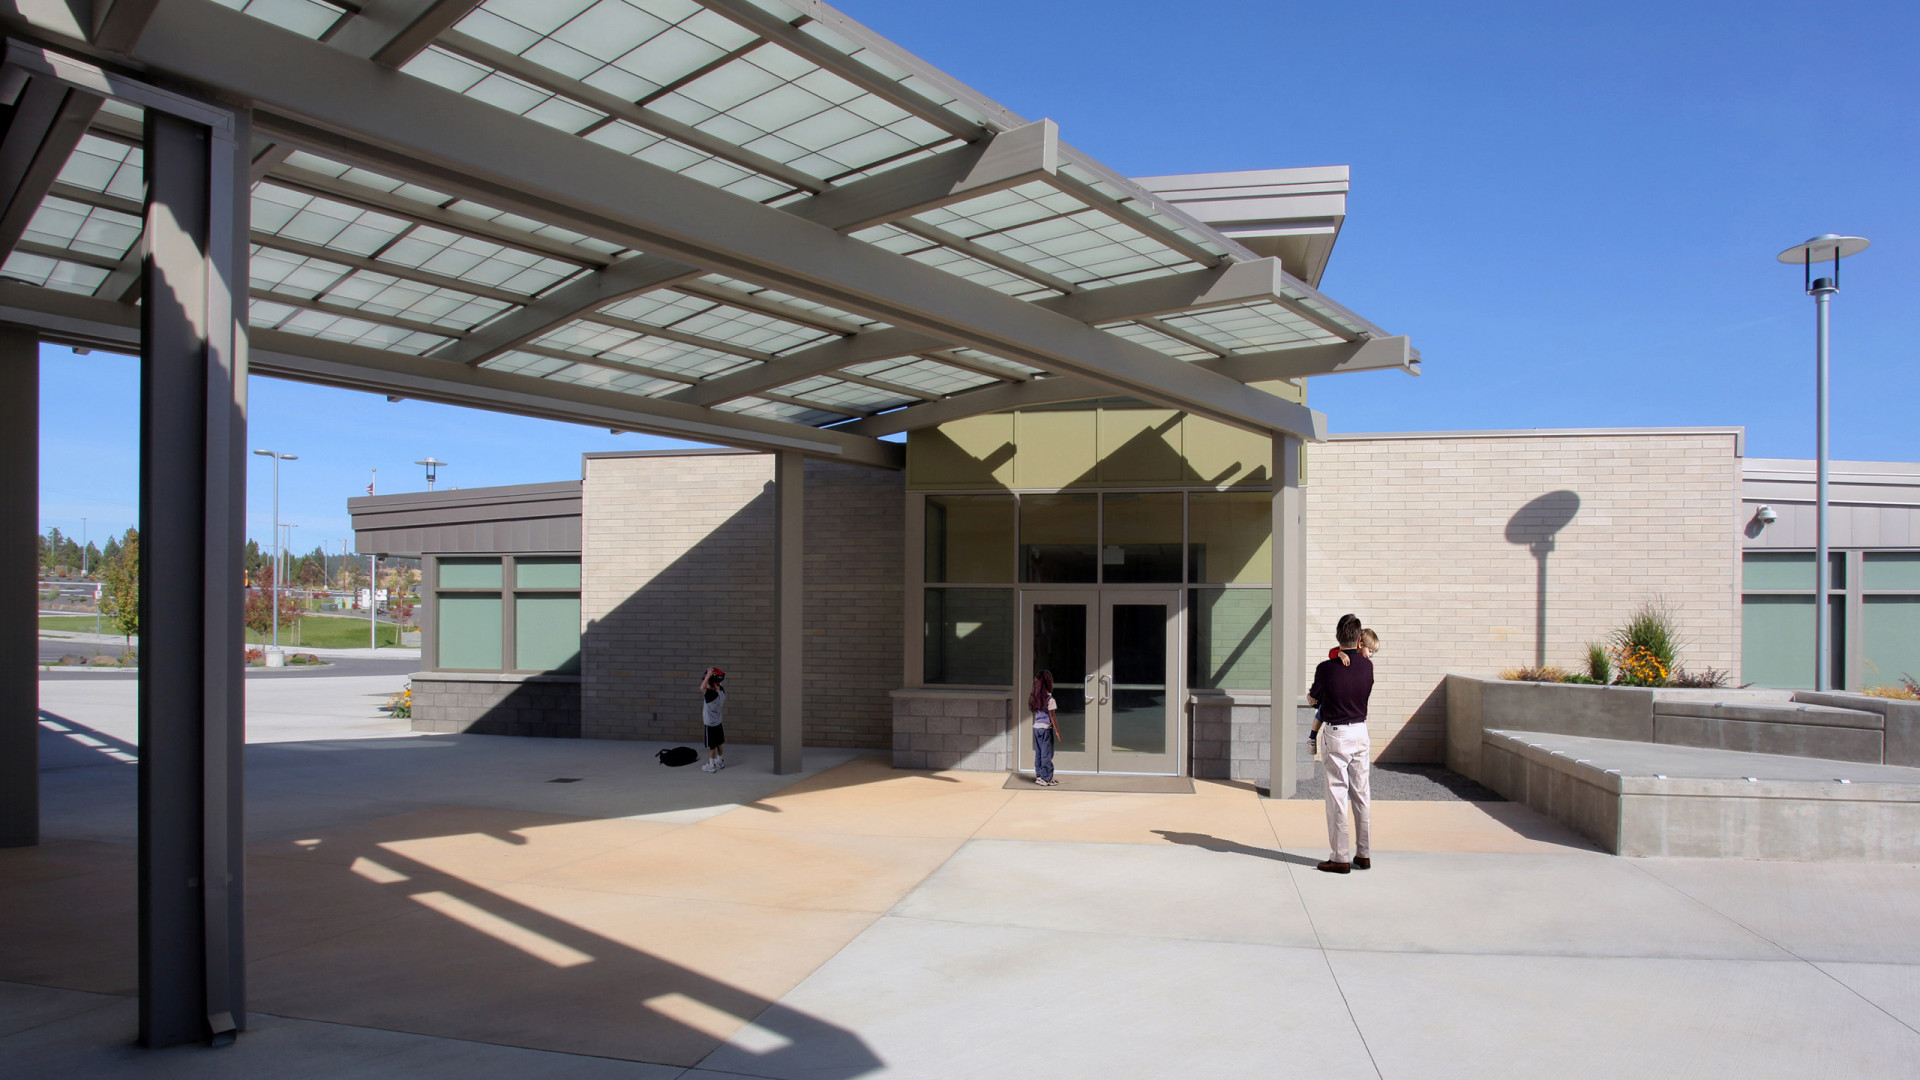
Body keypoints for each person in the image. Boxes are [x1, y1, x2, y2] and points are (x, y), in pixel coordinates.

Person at [1307, 615, 1373, 873]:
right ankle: (1364, 854)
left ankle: (1340, 857)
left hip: (1337, 733)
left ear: (1337, 637)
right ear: (1359, 639)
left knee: (1337, 795)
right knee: (1361, 794)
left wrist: (1313, 698)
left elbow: (1314, 698)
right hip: (1360, 731)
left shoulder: (1325, 668)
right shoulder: (1367, 666)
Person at [1309, 628, 1381, 757]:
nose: (1370, 655)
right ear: (1360, 644)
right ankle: (1312, 736)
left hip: (1346, 717)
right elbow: (1332, 652)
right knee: (1321, 710)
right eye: (1370, 651)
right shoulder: (1351, 658)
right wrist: (1340, 654)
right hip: (1346, 716)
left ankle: (1312, 736)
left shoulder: (1366, 665)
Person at [1029, 669, 1059, 786]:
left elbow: (1035, 715)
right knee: (1047, 754)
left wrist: (1037, 724)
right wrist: (1057, 731)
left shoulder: (1035, 698)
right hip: (1046, 729)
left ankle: (1039, 776)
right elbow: (1052, 716)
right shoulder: (1050, 700)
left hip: (1036, 728)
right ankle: (1046, 777)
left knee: (1039, 753)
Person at [699, 667, 727, 773]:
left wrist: (708, 676)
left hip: (710, 723)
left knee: (712, 746)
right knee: (719, 743)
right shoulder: (721, 691)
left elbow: (702, 687)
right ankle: (720, 761)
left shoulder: (711, 695)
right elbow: (714, 685)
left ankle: (711, 765)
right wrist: (712, 678)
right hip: (718, 722)